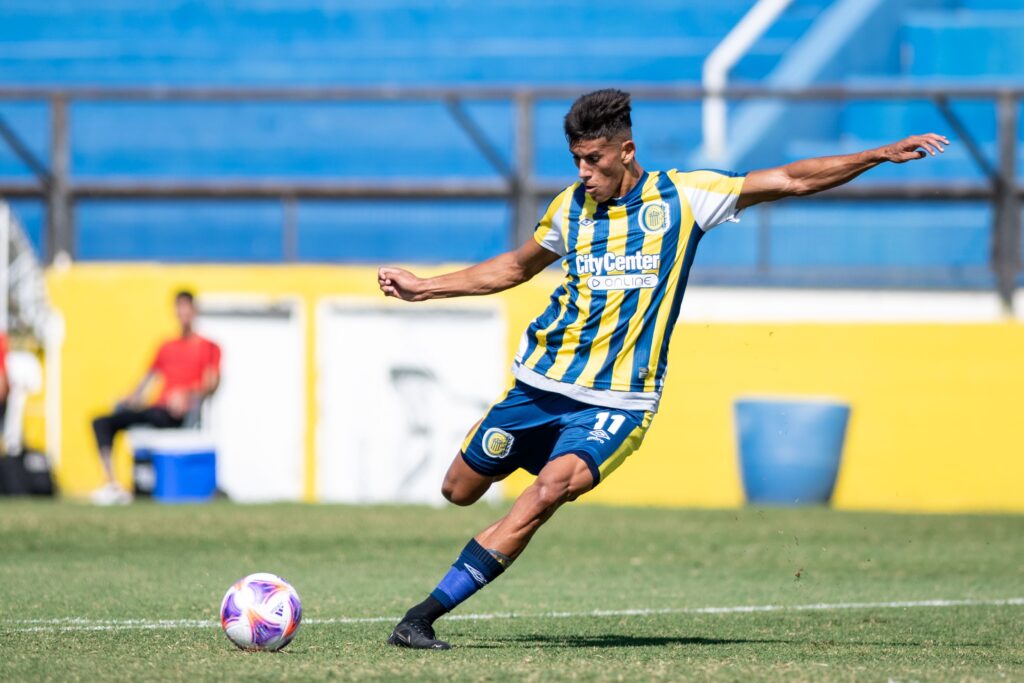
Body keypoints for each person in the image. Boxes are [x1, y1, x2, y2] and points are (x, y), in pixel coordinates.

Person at [377, 89, 947, 649]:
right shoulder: (569, 209)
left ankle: (423, 616)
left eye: (593, 160)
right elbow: (515, 267)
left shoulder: (684, 197)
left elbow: (790, 178)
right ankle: (513, 483)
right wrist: (425, 287)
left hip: (617, 403)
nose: (583, 173)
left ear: (626, 150)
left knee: (546, 493)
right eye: (576, 160)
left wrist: (875, 154)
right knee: (458, 490)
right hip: (539, 387)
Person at [90, 290, 221, 505]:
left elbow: (212, 384)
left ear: (194, 311)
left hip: (178, 413)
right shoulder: (166, 346)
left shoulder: (208, 347)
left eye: (187, 308)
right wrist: (129, 399)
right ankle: (111, 484)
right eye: (179, 308)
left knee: (156, 413)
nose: (183, 314)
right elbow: (146, 381)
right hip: (156, 409)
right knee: (102, 422)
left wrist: (186, 395)